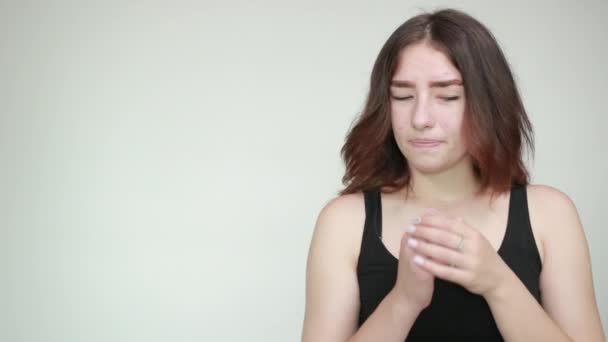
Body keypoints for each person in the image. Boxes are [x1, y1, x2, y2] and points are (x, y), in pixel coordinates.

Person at [301, 8, 605, 342]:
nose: (420, 118)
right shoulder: (344, 221)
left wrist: (497, 282)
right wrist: (403, 301)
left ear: (487, 103)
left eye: (447, 96)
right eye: (402, 96)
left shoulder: (550, 214)